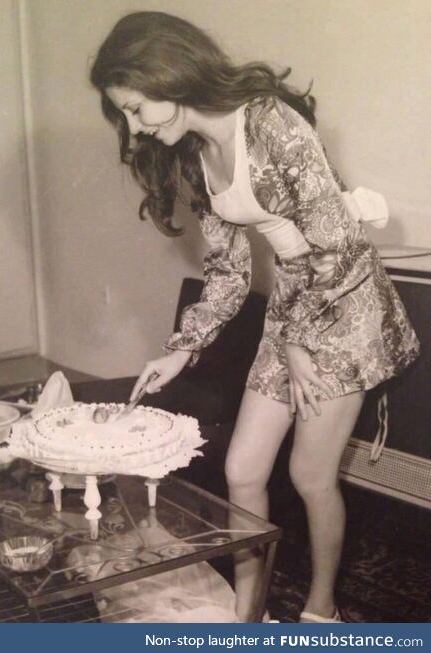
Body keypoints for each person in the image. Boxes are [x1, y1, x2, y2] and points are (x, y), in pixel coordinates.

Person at [90, 11, 420, 623]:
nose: (135, 127)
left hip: (345, 303)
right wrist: (182, 348)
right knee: (242, 471)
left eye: (137, 107)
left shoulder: (271, 122)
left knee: (309, 475)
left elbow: (338, 245)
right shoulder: (195, 154)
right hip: (295, 309)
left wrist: (298, 342)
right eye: (126, 115)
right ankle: (251, 614)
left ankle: (321, 611)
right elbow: (230, 270)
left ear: (172, 75)